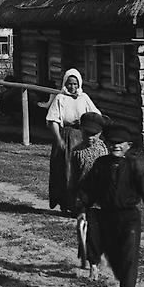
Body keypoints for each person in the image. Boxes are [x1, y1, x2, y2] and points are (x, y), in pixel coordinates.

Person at [76, 125, 144, 287]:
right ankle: (94, 263)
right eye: (112, 142)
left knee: (128, 254)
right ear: (107, 144)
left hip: (128, 217)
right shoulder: (101, 164)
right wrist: (82, 207)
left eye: (120, 143)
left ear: (128, 145)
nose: (115, 146)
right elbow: (89, 188)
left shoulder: (133, 165)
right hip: (106, 214)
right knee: (95, 234)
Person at [45, 68, 100, 214]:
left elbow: (96, 115)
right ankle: (65, 202)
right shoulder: (60, 98)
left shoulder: (84, 98)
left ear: (79, 84)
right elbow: (53, 120)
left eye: (75, 84)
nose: (72, 87)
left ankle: (80, 203)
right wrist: (59, 139)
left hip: (82, 136)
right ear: (65, 83)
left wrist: (89, 126)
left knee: (82, 170)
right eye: (69, 84)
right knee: (65, 170)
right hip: (66, 136)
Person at [69, 111, 109, 277]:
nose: (90, 137)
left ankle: (96, 255)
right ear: (81, 131)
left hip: (102, 196)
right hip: (86, 197)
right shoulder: (76, 152)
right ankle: (92, 263)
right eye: (87, 133)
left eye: (94, 134)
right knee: (88, 229)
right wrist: (76, 198)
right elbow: (74, 177)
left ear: (100, 133)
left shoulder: (103, 149)